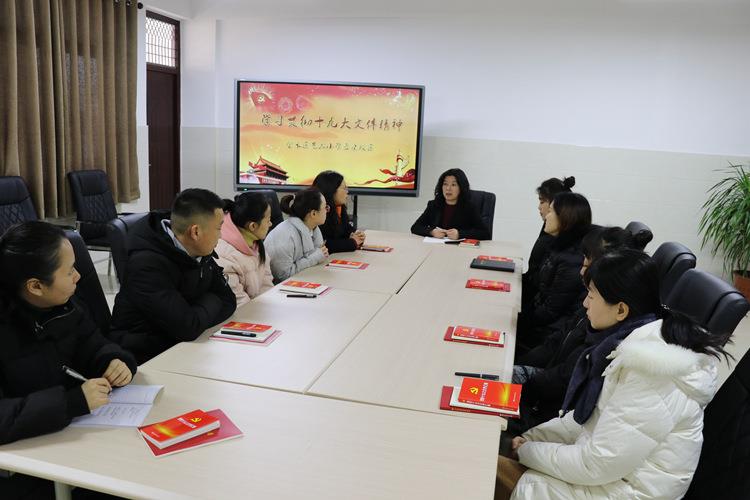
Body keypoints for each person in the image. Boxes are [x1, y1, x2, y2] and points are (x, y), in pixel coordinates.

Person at [498, 249, 726, 500]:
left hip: (629, 491)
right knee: (495, 454)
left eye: (591, 295)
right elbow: (587, 418)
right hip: (612, 477)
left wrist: (526, 451)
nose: (585, 304)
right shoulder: (628, 343)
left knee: (487, 471)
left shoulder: (650, 371)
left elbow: (597, 463)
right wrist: (529, 440)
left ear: (620, 310)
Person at [0, 221, 137, 444]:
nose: (78, 276)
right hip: (26, 453)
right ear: (36, 286)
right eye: (70, 270)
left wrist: (113, 361)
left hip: (67, 435)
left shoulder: (64, 306)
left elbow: (94, 344)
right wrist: (72, 403)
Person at [508, 227, 650, 438]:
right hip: (547, 404)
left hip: (547, 411)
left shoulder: (610, 347)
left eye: (587, 263)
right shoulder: (600, 314)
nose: (582, 270)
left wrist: (527, 441)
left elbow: (578, 422)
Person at [109, 188, 236, 364]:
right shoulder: (146, 266)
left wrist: (196, 314)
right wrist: (213, 299)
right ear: (195, 232)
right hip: (143, 358)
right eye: (218, 228)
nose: (221, 236)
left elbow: (229, 301)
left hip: (183, 346)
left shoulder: (200, 250)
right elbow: (188, 327)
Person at [517, 192, 592, 350]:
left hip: (547, 336)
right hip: (540, 323)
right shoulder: (559, 245)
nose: (546, 216)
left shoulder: (572, 260)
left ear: (565, 218)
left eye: (550, 211)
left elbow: (549, 312)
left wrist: (514, 319)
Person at [522, 176, 575, 309]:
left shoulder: (560, 244)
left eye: (542, 202)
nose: (539, 207)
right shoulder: (549, 230)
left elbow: (543, 288)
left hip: (535, 305)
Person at [215, 193, 274, 307]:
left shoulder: (256, 244)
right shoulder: (224, 255)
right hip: (243, 314)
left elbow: (266, 285)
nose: (271, 224)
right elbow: (239, 303)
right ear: (253, 226)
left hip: (258, 311)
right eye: (268, 220)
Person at [265, 187, 329, 282]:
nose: (327, 210)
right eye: (325, 207)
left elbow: (317, 259)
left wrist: (318, 256)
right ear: (313, 213)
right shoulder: (285, 237)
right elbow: (283, 276)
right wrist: (315, 257)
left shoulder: (314, 228)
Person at [410, 168, 490, 240]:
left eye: (453, 185)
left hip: (459, 249)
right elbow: (415, 227)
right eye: (445, 184)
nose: (448, 188)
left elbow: (485, 233)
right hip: (436, 248)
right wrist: (432, 232)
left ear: (461, 187)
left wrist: (460, 234)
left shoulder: (469, 207)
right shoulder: (434, 205)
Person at [313, 170, 365, 253]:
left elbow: (346, 229)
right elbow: (324, 244)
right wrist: (352, 242)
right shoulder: (318, 211)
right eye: (344, 188)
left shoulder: (339, 207)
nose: (347, 191)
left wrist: (357, 234)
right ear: (331, 190)